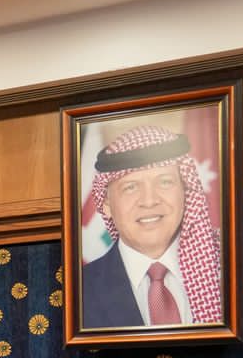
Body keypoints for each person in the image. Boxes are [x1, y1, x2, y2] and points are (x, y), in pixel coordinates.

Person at [80, 124, 224, 329]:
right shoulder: (78, 292)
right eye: (131, 187)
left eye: (164, 182)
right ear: (106, 205)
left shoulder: (229, 267)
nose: (149, 201)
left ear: (185, 191)